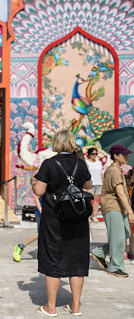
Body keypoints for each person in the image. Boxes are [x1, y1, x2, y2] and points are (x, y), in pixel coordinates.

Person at [32, 130, 92, 316]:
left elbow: (39, 192)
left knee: (53, 260)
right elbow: (88, 185)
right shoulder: (80, 164)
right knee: (77, 261)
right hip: (78, 219)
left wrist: (34, 182)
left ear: (56, 144)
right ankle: (75, 307)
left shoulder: (49, 164)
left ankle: (51, 307)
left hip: (54, 220)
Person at [91, 144, 134, 278]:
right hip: (112, 208)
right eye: (124, 155)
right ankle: (116, 267)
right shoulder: (114, 171)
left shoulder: (116, 170)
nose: (127, 157)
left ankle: (100, 252)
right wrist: (130, 211)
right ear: (115, 156)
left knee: (124, 234)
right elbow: (120, 194)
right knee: (119, 238)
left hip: (118, 208)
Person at [13, 189, 42, 262]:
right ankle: (20, 247)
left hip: (52, 213)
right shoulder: (45, 183)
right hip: (42, 213)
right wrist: (42, 211)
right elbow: (36, 198)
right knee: (41, 234)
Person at [85, 147, 103, 223]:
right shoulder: (86, 162)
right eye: (93, 154)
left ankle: (94, 216)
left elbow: (101, 174)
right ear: (89, 154)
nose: (95, 155)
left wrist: (103, 182)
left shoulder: (99, 162)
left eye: (96, 154)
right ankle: (87, 216)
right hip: (90, 183)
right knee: (88, 200)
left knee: (96, 200)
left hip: (98, 183)